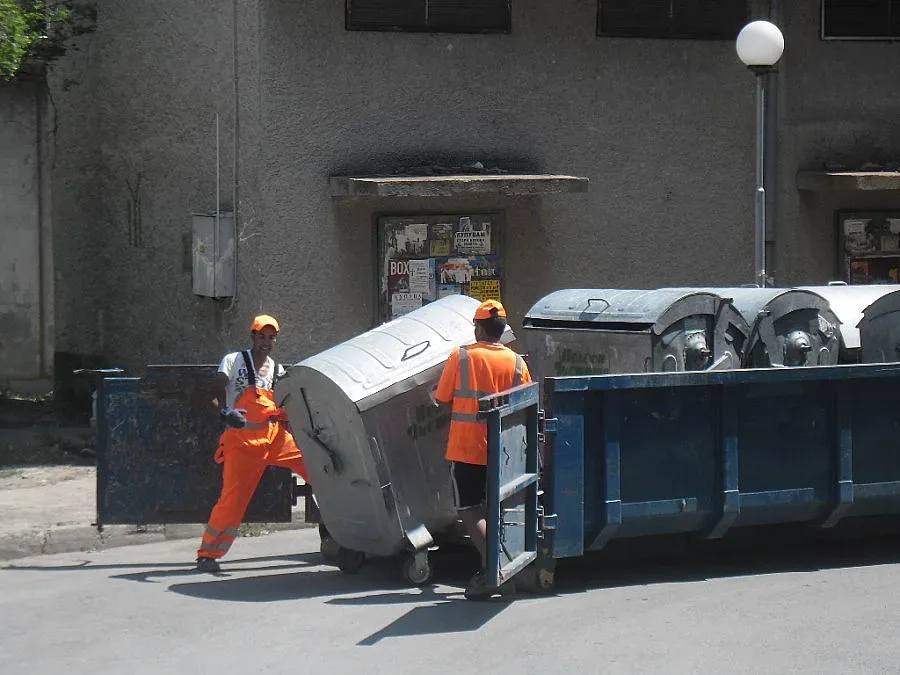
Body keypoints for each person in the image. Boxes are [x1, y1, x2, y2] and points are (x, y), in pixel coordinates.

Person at [195, 314, 310, 572]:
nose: (265, 342)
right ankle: (207, 554)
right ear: (252, 336)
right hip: (242, 444)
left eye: (271, 337)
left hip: (275, 439)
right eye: (261, 336)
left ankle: (348, 528)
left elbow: (284, 406)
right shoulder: (233, 361)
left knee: (319, 469)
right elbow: (207, 395)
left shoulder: (278, 370)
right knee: (232, 500)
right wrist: (225, 413)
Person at [433, 299, 531, 598]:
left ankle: (496, 567)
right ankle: (504, 564)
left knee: (469, 510)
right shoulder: (517, 362)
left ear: (477, 327)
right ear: (501, 330)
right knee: (496, 508)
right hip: (504, 451)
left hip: (467, 449)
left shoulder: (461, 357)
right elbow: (526, 401)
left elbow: (442, 397)